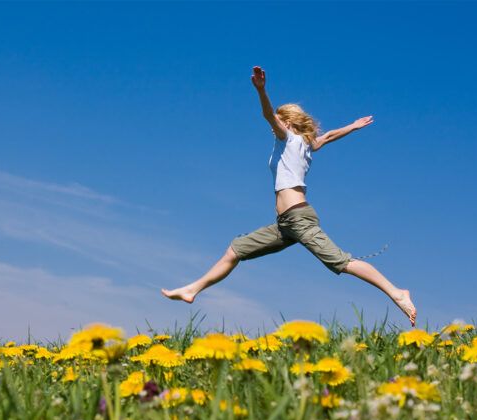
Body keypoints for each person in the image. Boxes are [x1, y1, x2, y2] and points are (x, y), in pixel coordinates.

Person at [161, 66, 417, 326]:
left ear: (288, 123)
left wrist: (261, 90)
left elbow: (267, 115)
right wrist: (352, 126)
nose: (275, 126)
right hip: (285, 225)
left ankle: (397, 293)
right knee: (235, 250)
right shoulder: (306, 144)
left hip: (299, 220)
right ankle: (192, 290)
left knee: (342, 263)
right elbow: (327, 136)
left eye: (280, 121)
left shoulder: (289, 138)